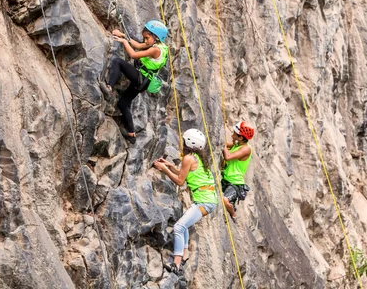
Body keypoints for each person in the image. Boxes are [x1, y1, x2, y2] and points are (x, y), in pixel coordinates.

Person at [153, 128, 217, 278]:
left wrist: (163, 169)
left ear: (187, 142)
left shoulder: (188, 158)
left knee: (179, 226)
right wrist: (169, 166)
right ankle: (185, 253)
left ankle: (176, 262)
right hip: (208, 199)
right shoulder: (196, 157)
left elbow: (180, 181)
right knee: (184, 224)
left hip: (204, 201)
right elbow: (183, 174)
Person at [100, 20, 169, 144]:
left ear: (156, 37)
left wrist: (124, 41)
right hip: (144, 82)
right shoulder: (160, 47)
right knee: (123, 104)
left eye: (147, 38)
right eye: (145, 38)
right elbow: (138, 45)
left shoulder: (155, 50)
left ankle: (109, 87)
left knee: (118, 62)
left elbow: (132, 54)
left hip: (140, 78)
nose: (145, 41)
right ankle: (131, 134)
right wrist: (123, 35)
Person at [221, 121, 254, 222]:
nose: (232, 135)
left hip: (235, 183)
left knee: (225, 200)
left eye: (234, 134)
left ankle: (233, 214)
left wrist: (224, 147)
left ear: (240, 138)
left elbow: (228, 156)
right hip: (226, 179)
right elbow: (225, 144)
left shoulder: (246, 149)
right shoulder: (237, 144)